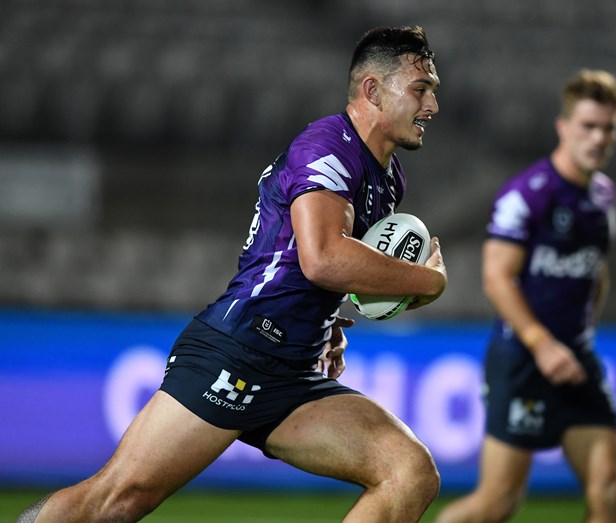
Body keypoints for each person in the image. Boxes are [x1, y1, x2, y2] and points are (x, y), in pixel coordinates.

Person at [19, 25, 446, 523]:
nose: (432, 107)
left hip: (292, 372)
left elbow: (315, 267)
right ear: (372, 90)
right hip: (240, 348)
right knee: (114, 501)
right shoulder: (328, 144)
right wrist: (427, 281)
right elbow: (324, 257)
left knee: (409, 471)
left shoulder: (387, 178)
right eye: (421, 89)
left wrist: (327, 327)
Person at [435, 70, 616, 523]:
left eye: (609, 128)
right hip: (523, 358)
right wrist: (542, 343)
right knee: (497, 504)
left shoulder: (604, 197)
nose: (599, 137)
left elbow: (595, 272)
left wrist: (579, 336)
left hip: (577, 358)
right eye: (589, 126)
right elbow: (497, 278)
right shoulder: (526, 196)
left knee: (609, 489)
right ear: (563, 127)